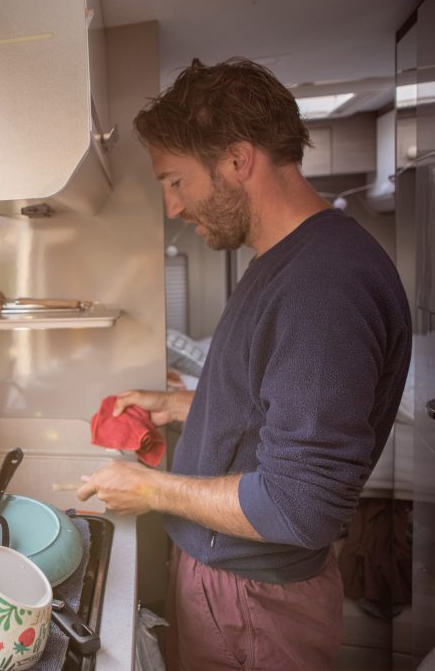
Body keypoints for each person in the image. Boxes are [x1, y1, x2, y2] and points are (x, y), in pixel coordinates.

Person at [76, 58, 412, 670]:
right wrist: (183, 405)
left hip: (252, 606)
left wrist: (149, 487)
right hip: (238, 590)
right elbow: (273, 406)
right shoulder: (286, 261)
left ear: (236, 160)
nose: (173, 207)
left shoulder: (323, 285)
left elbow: (298, 504)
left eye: (175, 181)